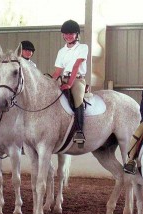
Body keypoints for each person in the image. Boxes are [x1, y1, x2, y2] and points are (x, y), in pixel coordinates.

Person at [52, 19, 88, 147]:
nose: (68, 36)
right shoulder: (61, 51)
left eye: (71, 34)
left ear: (76, 34)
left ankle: (79, 131)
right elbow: (57, 72)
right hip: (63, 78)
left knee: (78, 99)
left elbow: (76, 66)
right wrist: (49, 83)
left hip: (77, 79)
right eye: (66, 34)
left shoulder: (83, 47)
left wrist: (69, 84)